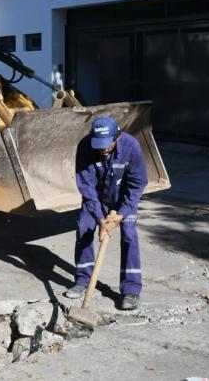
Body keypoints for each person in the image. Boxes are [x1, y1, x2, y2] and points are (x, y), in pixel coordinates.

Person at [64, 115, 148, 311]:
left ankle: (131, 290)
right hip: (96, 199)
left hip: (123, 199)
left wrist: (121, 213)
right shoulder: (86, 147)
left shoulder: (131, 148)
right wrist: (101, 219)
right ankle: (83, 280)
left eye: (107, 144)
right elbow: (86, 185)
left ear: (117, 137)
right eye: (98, 144)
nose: (102, 149)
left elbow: (137, 185)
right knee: (84, 227)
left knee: (129, 235)